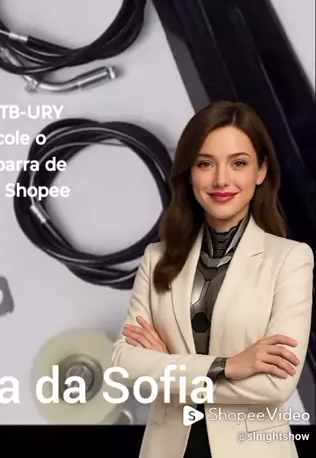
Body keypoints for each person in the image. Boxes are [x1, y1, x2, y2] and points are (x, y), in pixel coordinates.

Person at [112, 101, 314, 457]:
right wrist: (229, 366)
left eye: (239, 163)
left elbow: (276, 385)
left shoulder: (290, 259)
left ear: (261, 171)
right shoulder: (156, 258)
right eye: (205, 163)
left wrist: (168, 372)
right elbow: (123, 362)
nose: (221, 179)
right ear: (189, 172)